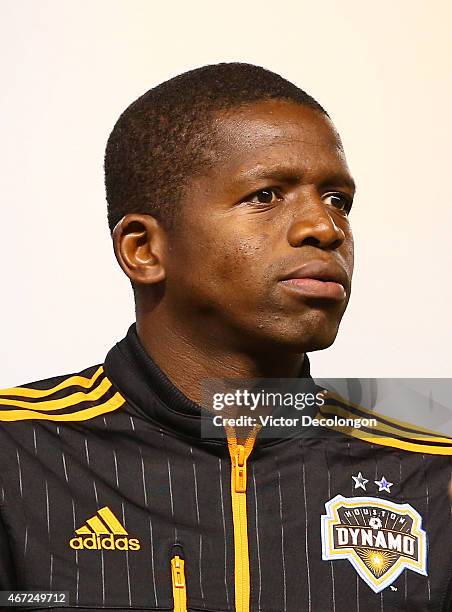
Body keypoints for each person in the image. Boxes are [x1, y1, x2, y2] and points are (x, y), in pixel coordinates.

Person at [0, 63, 451, 612]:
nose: (326, 228)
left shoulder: (430, 472)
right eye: (266, 195)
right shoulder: (19, 454)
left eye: (338, 199)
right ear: (144, 250)